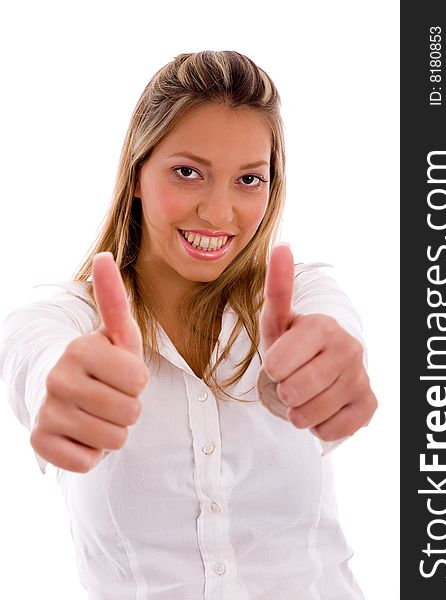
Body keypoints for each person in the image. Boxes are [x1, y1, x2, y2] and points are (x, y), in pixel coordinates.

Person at [0, 50, 377, 599]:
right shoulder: (65, 321)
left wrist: (330, 366)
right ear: (136, 173)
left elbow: (336, 327)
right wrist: (59, 386)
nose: (219, 214)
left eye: (249, 179)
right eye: (187, 172)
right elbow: (32, 356)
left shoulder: (305, 297)